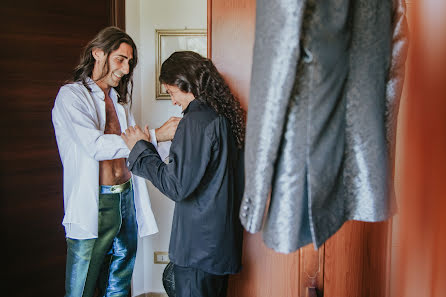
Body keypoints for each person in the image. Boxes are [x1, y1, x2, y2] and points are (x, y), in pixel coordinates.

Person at [52, 26, 179, 297]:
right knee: (80, 288)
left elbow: (137, 149)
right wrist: (157, 134)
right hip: (94, 203)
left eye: (130, 61)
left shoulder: (120, 104)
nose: (125, 68)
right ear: (98, 54)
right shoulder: (71, 96)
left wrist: (178, 139)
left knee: (120, 281)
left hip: (127, 200)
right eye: (120, 59)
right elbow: (96, 146)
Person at [121, 51, 245, 297]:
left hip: (199, 248)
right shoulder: (220, 116)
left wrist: (141, 148)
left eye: (171, 92)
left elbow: (176, 186)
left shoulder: (196, 121)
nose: (173, 101)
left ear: (184, 83)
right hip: (218, 244)